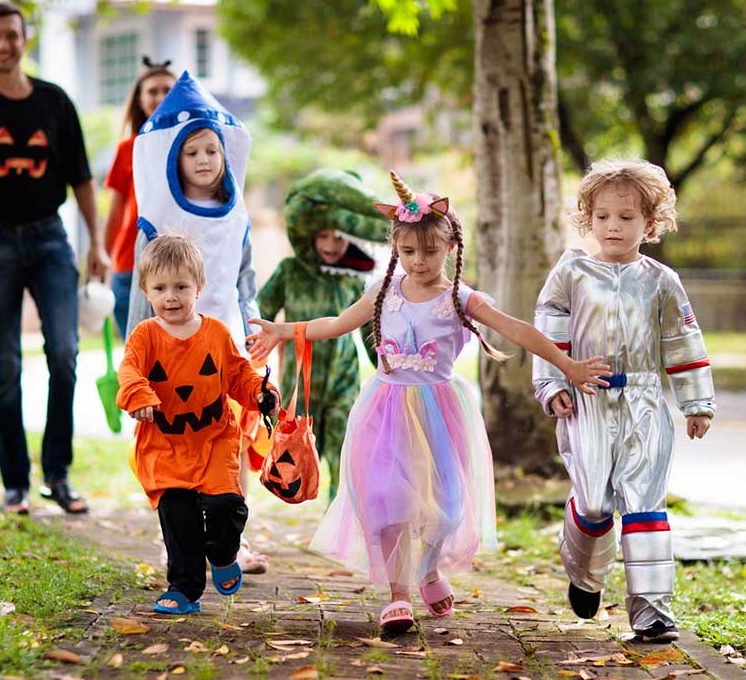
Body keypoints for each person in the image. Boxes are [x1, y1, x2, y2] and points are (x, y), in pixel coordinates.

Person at [247, 172, 611, 633]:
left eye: (430, 251)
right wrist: (285, 330)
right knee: (387, 499)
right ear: (396, 249)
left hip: (440, 412)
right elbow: (337, 323)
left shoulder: (459, 299)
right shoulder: (384, 292)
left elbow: (515, 329)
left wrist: (567, 365)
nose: (419, 261)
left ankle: (429, 569)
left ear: (451, 248)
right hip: (384, 410)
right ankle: (398, 595)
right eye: (409, 252)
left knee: (446, 507)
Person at [0, 1, 110, 515]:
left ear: (24, 39)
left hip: (51, 239)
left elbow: (81, 178)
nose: (3, 43)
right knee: (5, 365)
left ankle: (58, 473)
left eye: (12, 34)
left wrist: (96, 242)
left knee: (64, 354)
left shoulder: (54, 102)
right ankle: (15, 485)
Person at [532, 159, 715, 643]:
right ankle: (584, 575)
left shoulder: (662, 281)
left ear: (650, 224)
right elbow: (548, 328)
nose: (613, 226)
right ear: (588, 219)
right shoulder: (571, 271)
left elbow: (683, 341)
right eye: (603, 216)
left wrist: (697, 403)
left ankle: (652, 612)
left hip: (645, 401)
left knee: (644, 503)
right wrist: (552, 387)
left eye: (627, 217)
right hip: (586, 398)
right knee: (594, 503)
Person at [125, 71, 271, 574]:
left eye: (212, 150)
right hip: (168, 348)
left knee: (233, 436)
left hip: (224, 338)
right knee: (173, 444)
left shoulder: (236, 212)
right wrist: (135, 354)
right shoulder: (160, 212)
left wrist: (254, 327)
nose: (205, 160)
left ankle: (236, 540)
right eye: (192, 152)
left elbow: (245, 274)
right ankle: (177, 540)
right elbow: (141, 287)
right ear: (174, 158)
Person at [116, 234, 280, 614]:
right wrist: (139, 396)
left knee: (225, 505)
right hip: (164, 443)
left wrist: (258, 391)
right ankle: (184, 589)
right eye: (160, 288)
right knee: (178, 517)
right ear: (145, 290)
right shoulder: (145, 336)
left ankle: (223, 554)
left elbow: (238, 374)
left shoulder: (216, 334)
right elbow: (129, 372)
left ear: (199, 287)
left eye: (180, 287)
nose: (171, 296)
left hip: (214, 437)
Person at [256, 169, 390, 501]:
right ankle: (299, 489)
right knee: (298, 446)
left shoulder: (351, 280)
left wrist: (385, 366)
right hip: (300, 380)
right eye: (324, 237)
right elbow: (263, 310)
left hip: (343, 378)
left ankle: (340, 512)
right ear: (312, 236)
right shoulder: (290, 271)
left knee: (344, 447)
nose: (331, 245)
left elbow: (367, 330)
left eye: (339, 237)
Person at [103, 58, 175, 340]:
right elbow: (115, 210)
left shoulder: (192, 146)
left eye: (167, 90)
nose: (159, 97)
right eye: (152, 91)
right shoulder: (127, 149)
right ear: (140, 99)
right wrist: (102, 254)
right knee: (139, 353)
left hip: (177, 265)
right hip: (130, 265)